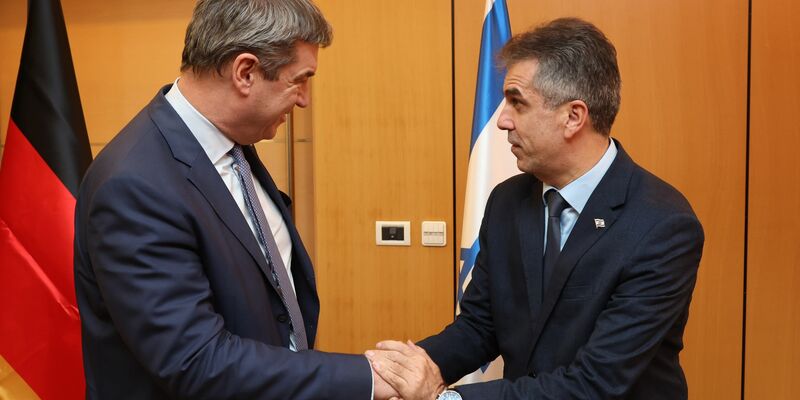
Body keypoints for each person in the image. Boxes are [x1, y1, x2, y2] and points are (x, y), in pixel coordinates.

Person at [367, 17, 704, 399]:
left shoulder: (660, 224)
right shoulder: (507, 201)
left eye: (516, 102)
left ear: (573, 117)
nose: (503, 121)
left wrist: (446, 399)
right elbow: (480, 326)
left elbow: (597, 382)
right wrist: (393, 373)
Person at [74, 1, 396, 398]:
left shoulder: (232, 144)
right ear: (245, 72)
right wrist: (367, 378)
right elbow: (196, 361)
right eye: (300, 79)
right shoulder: (135, 186)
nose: (304, 100)